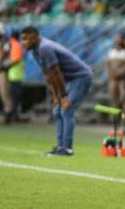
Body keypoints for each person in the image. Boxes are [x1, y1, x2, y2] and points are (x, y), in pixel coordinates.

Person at [20, 26, 92, 156]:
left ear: (34, 37)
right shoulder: (36, 50)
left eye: (25, 39)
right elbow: (47, 74)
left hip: (80, 77)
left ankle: (67, 149)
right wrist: (55, 95)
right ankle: (60, 147)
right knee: (57, 110)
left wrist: (63, 96)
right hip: (69, 79)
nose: (22, 43)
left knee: (66, 110)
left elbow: (56, 72)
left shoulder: (44, 48)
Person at [106, 35, 125, 124]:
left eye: (119, 40)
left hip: (123, 79)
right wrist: (112, 74)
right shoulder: (111, 52)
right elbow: (107, 65)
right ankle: (114, 118)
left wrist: (119, 74)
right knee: (113, 98)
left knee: (123, 97)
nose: (117, 41)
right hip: (112, 79)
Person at [8, 31, 25, 122]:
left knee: (14, 97)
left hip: (13, 75)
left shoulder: (13, 45)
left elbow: (16, 59)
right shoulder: (16, 45)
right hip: (15, 75)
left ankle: (14, 115)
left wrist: (6, 66)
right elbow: (17, 59)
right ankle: (15, 116)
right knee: (15, 97)